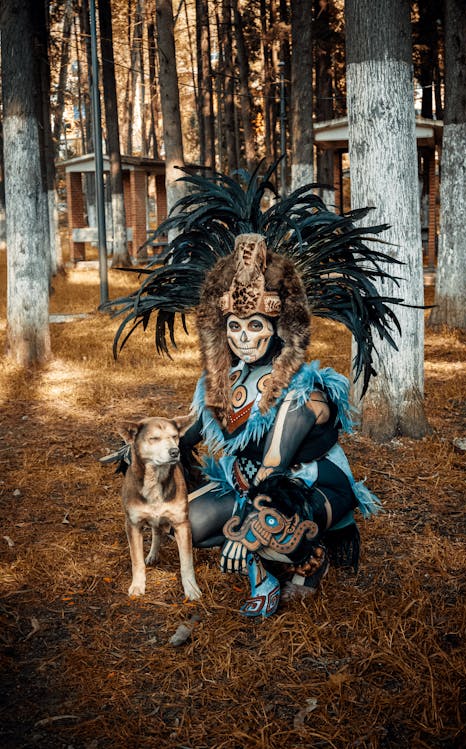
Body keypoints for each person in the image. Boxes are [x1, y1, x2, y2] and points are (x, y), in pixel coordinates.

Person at [105, 163, 401, 618]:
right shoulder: (216, 383)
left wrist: (246, 532)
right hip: (245, 483)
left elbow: (272, 471)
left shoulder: (305, 388)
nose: (243, 337)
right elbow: (193, 436)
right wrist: (144, 446)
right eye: (235, 327)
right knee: (194, 524)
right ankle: (267, 546)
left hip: (307, 484)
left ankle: (304, 559)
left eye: (256, 325)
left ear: (277, 326)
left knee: (267, 522)